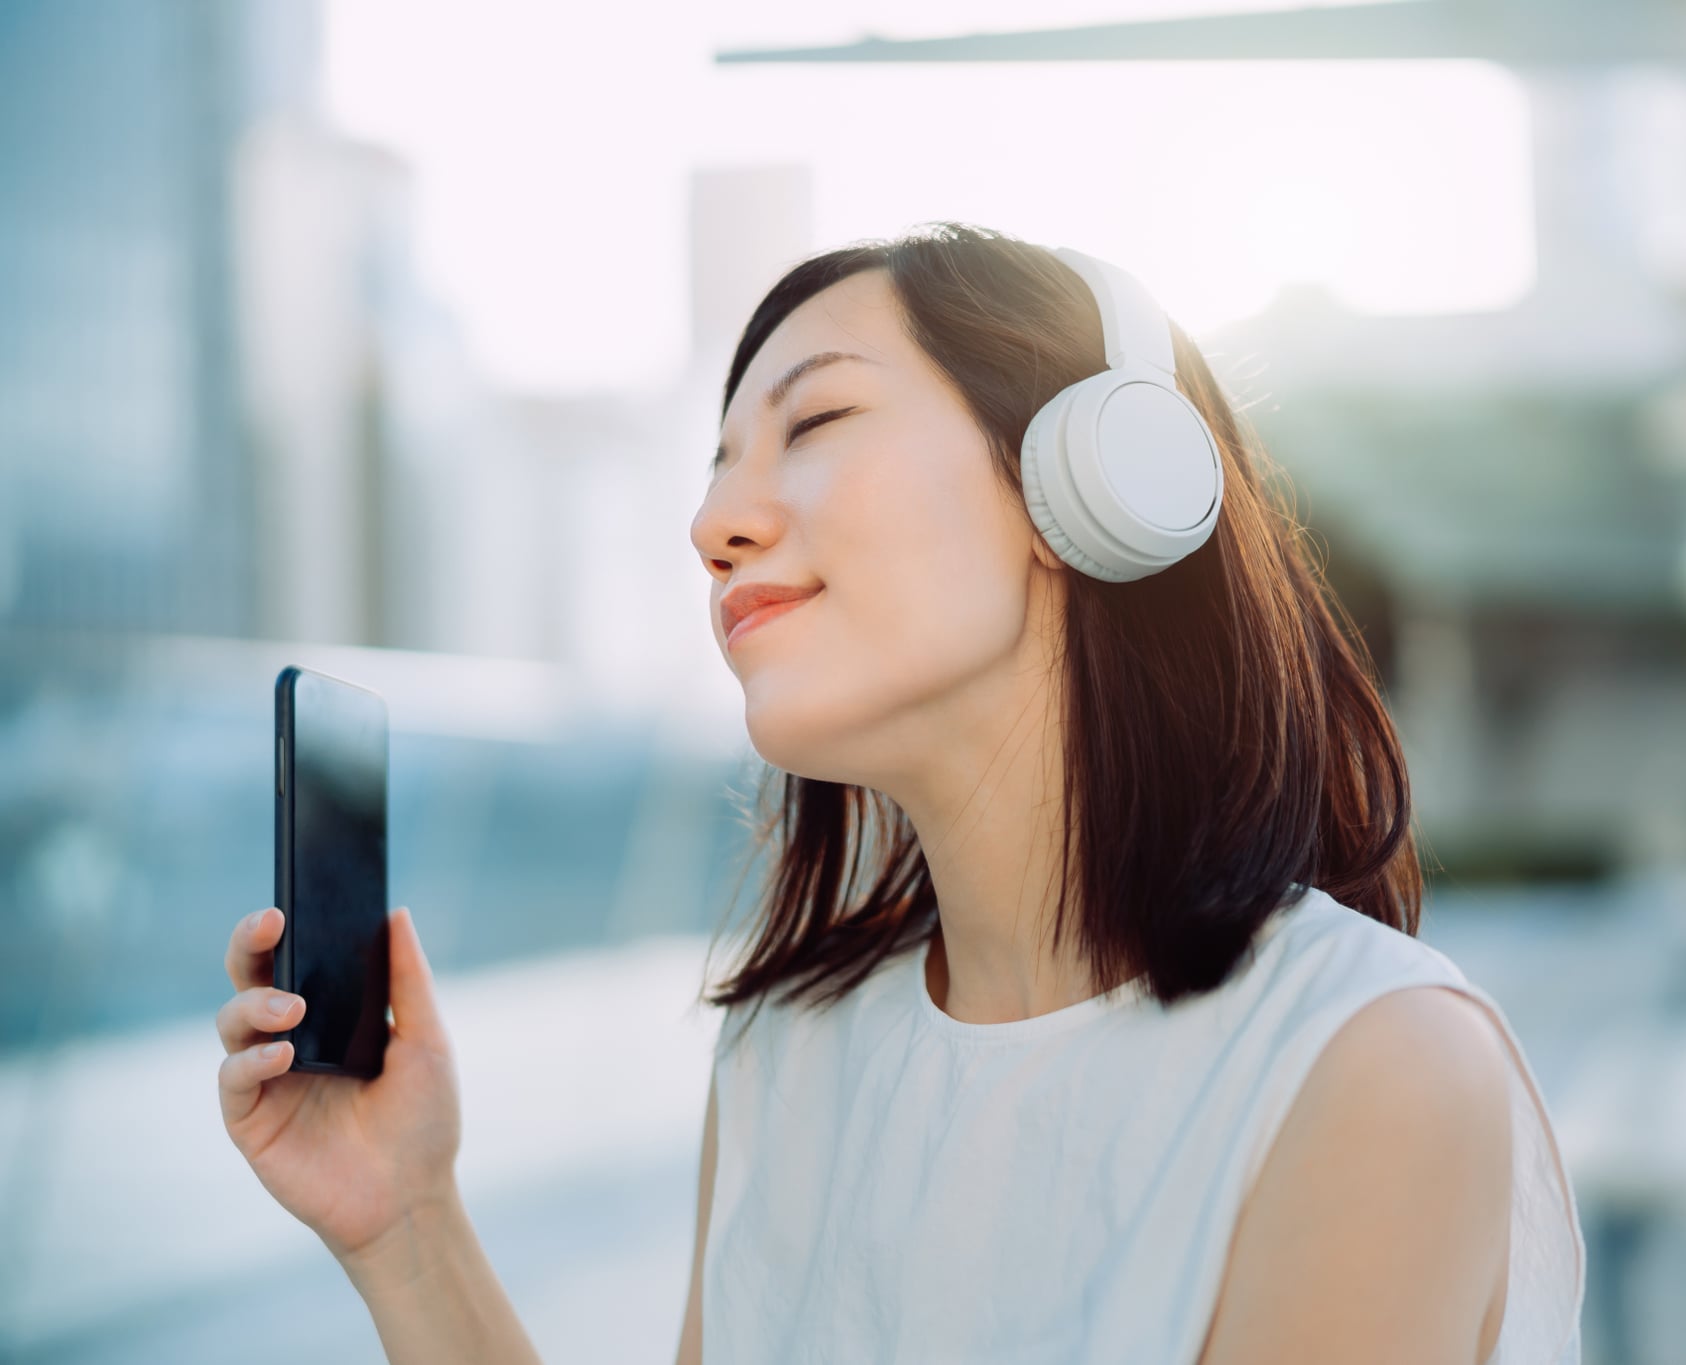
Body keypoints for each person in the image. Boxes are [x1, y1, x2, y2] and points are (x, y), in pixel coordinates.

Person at [216, 221, 1585, 1364]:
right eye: (716, 468)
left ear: (1087, 484)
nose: (714, 526)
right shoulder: (788, 1053)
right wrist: (404, 1221)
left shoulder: (1370, 1067)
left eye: (813, 419)